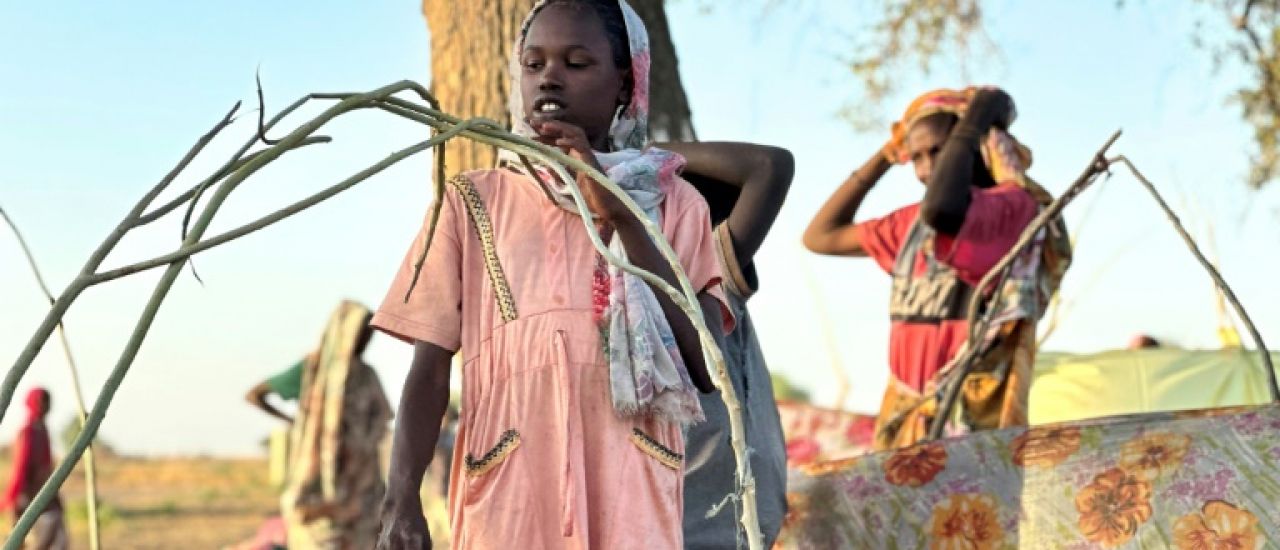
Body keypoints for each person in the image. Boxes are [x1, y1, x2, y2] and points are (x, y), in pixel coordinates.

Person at [371, 1, 733, 547]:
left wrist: (616, 209)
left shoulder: (672, 204)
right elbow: (428, 366)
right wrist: (400, 501)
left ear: (623, 83)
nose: (550, 78)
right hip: (509, 488)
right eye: (534, 64)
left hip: (630, 486)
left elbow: (706, 366)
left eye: (577, 62)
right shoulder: (473, 201)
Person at [803, 87, 1070, 450]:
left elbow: (945, 209)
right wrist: (886, 154)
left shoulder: (1010, 209)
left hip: (969, 422)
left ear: (978, 145)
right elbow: (821, 235)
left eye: (938, 152)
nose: (926, 169)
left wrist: (976, 120)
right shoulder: (912, 226)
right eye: (916, 157)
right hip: (904, 415)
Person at [655, 142, 793, 548]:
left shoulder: (711, 273)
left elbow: (768, 166)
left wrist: (648, 153)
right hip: (696, 529)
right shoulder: (673, 276)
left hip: (736, 529)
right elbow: (769, 166)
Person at [258, 300, 393, 549]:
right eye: (361, 333)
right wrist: (297, 422)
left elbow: (384, 416)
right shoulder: (312, 369)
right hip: (318, 480)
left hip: (360, 480)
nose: (365, 341)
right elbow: (256, 394)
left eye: (368, 334)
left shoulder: (366, 374)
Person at [2, 387, 68, 550]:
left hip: (43, 495)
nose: (45, 407)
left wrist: (55, 495)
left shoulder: (43, 431)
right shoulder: (27, 432)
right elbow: (20, 469)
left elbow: (47, 467)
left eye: (47, 403)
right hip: (25, 497)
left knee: (55, 537)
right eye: (41, 402)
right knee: (21, 541)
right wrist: (10, 498)